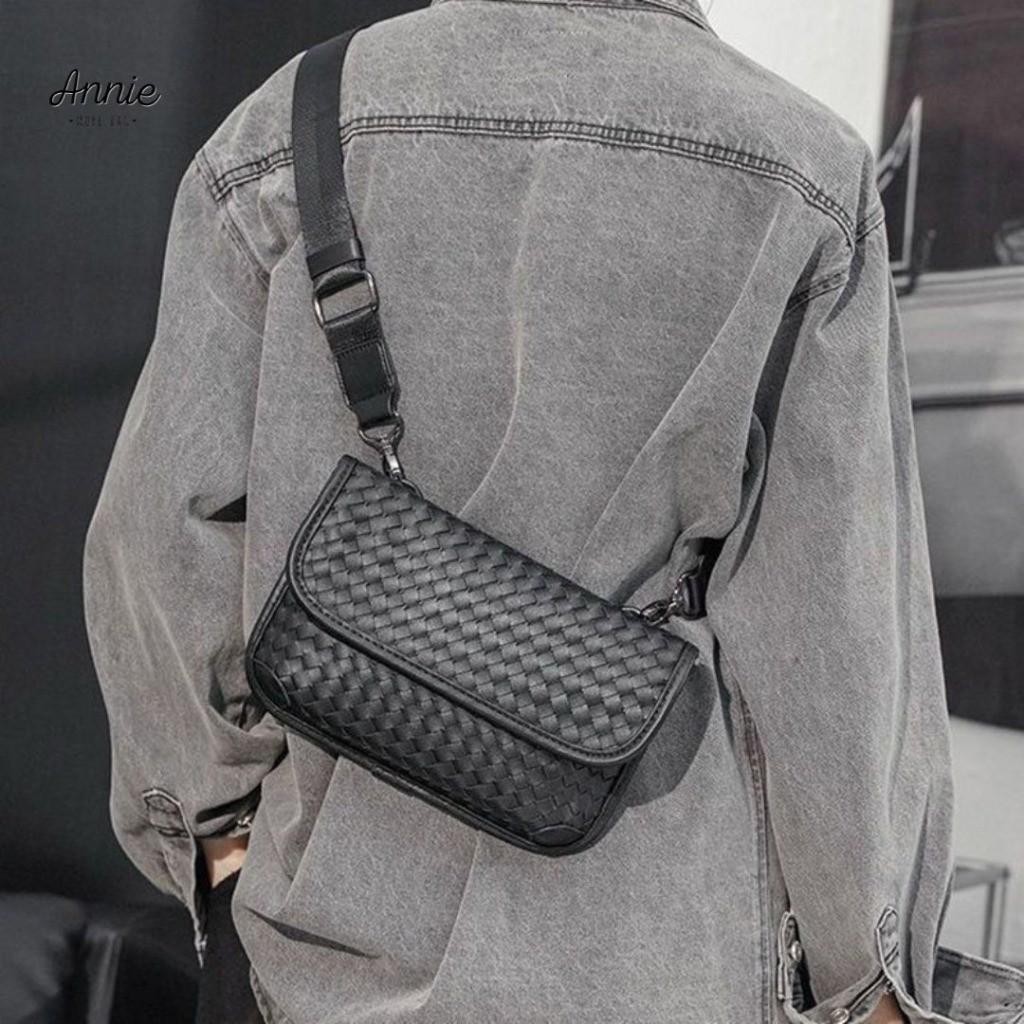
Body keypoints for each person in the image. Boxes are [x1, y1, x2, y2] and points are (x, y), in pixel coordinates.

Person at [83, 1, 1024, 1022]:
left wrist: (209, 834)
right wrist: (867, 973)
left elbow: (163, 544)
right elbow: (833, 632)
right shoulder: (803, 171)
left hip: (324, 948)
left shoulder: (288, 127)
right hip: (659, 952)